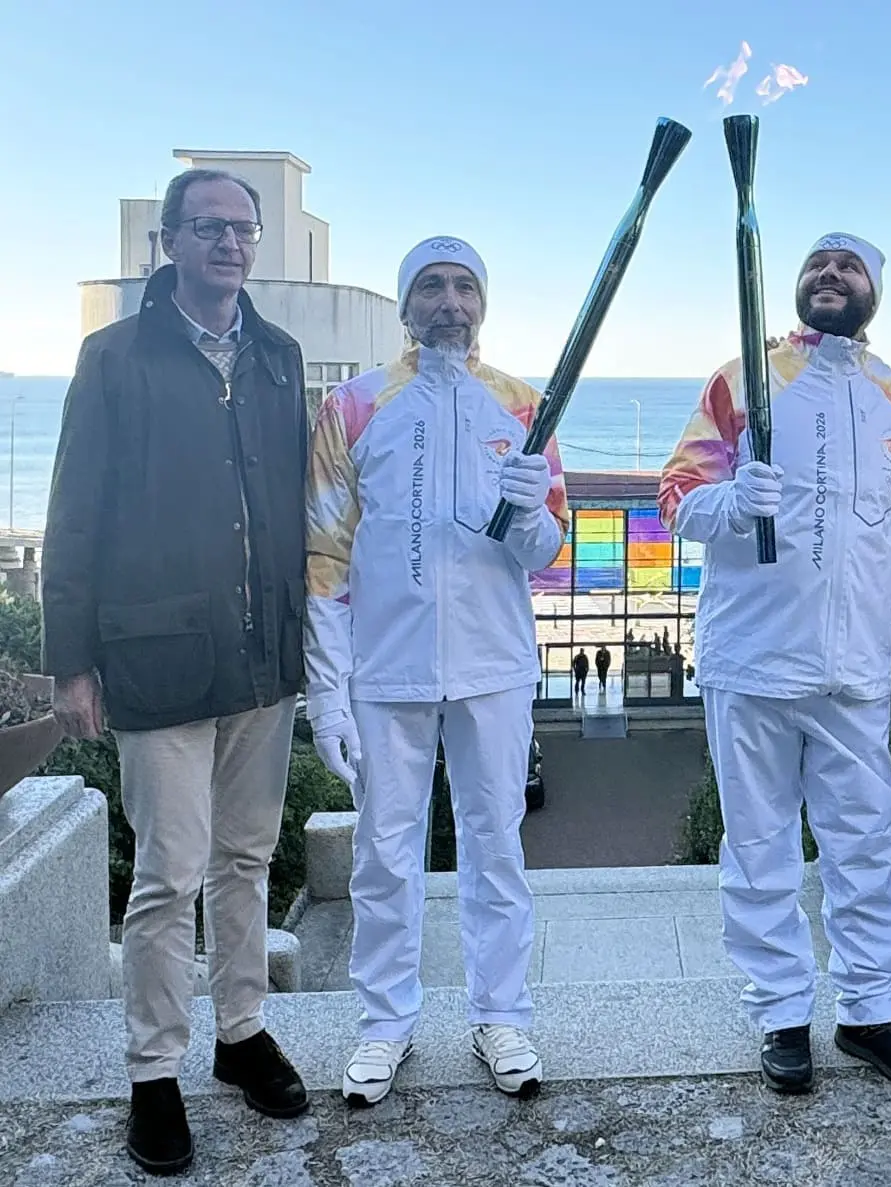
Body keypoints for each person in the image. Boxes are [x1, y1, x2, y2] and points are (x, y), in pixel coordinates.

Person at [40, 167, 311, 1175]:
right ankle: (154, 1069)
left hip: (264, 654)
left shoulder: (280, 356)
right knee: (168, 873)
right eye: (208, 228)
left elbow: (299, 500)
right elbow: (74, 513)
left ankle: (241, 1030)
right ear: (168, 242)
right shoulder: (114, 358)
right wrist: (70, 661)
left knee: (248, 855)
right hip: (157, 655)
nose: (230, 243)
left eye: (243, 228)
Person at [658, 232, 891, 1095]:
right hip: (753, 657)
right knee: (760, 847)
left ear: (873, 291)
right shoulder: (742, 379)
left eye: (849, 266)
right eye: (818, 263)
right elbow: (677, 498)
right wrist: (729, 501)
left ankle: (872, 1010)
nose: (831, 274)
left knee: (868, 842)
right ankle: (782, 1011)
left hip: (856, 666)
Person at [304, 236, 570, 1106]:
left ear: (482, 303)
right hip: (387, 671)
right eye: (431, 286)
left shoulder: (524, 407)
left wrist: (528, 511)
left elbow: (547, 550)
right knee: (385, 854)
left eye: (464, 287)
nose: (449, 301)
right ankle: (385, 1022)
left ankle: (502, 1015)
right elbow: (325, 558)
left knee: (497, 847)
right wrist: (327, 691)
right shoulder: (353, 406)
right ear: (405, 304)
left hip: (494, 666)